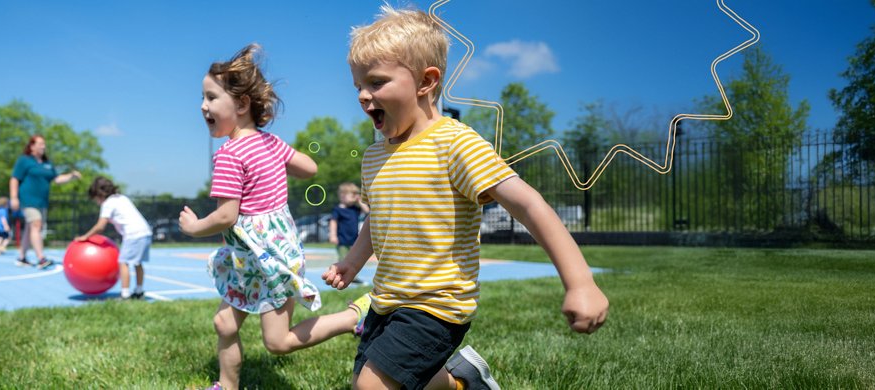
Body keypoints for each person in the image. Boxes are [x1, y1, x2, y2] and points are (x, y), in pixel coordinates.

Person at [322, 6, 611, 389]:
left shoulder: (455, 143)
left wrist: (580, 283)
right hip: (387, 298)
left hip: (438, 305)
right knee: (388, 378)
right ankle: (464, 382)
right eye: (358, 85)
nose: (362, 95)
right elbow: (378, 218)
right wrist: (352, 263)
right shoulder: (375, 156)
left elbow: (527, 203)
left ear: (426, 82)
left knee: (370, 386)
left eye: (376, 82)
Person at [177, 44, 371, 390]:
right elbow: (309, 167)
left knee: (277, 343)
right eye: (202, 98)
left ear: (240, 104)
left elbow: (225, 215)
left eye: (210, 97)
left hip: (269, 258)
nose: (202, 106)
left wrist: (193, 228)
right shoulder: (270, 143)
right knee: (225, 323)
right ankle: (227, 384)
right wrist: (276, 161)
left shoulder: (229, 155)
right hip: (251, 256)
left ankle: (351, 317)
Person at [9, 134, 82, 269]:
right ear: (32, 146)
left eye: (44, 144)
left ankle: (22, 257)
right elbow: (14, 179)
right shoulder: (24, 161)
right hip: (28, 200)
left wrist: (71, 176)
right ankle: (41, 258)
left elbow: (57, 179)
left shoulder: (47, 164)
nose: (44, 146)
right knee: (36, 224)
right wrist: (14, 197)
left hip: (41, 202)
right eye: (40, 144)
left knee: (31, 228)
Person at [74, 177, 150, 299]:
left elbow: (100, 226)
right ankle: (139, 291)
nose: (96, 202)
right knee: (137, 263)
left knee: (123, 262)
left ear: (99, 194)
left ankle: (125, 295)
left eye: (95, 199)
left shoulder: (108, 203)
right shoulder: (121, 198)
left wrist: (85, 237)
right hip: (145, 232)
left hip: (133, 234)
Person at [329, 182, 369, 263]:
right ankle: (342, 275)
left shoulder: (354, 209)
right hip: (342, 241)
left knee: (354, 260)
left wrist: (360, 201)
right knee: (343, 259)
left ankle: (354, 276)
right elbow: (333, 222)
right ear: (343, 195)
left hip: (354, 240)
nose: (355, 196)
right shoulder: (338, 209)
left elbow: (367, 211)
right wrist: (333, 235)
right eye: (352, 195)